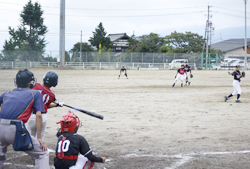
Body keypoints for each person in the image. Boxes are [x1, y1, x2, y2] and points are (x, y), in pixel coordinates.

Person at [0, 69, 49, 169]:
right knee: (42, 154)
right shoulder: (34, 93)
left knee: (0, 154)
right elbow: (39, 115)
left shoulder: (6, 94)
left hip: (0, 127)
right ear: (30, 82)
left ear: (16, 82)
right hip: (16, 129)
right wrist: (39, 137)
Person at [27, 70, 64, 141]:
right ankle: (40, 151)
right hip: (42, 116)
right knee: (40, 138)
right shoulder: (52, 95)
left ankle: (30, 151)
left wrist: (56, 104)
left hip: (31, 116)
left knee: (31, 137)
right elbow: (45, 106)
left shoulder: (36, 85)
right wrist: (57, 104)